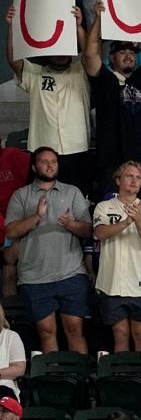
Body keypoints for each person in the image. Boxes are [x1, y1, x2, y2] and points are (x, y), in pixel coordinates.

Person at [83, 0, 141, 202]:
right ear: (111, 57)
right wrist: (98, 18)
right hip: (112, 163)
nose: (128, 56)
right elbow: (90, 53)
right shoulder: (104, 78)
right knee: (112, 216)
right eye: (122, 52)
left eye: (132, 52)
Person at [5, 148, 91, 353]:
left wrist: (71, 224)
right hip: (35, 277)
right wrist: (36, 217)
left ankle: (79, 381)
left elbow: (88, 229)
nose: (50, 165)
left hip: (70, 273)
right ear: (34, 167)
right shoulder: (21, 195)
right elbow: (10, 230)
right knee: (46, 331)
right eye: (44, 162)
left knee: (75, 329)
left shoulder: (72, 191)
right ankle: (51, 382)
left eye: (54, 161)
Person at [4, 7, 89, 191]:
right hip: (42, 149)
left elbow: (90, 54)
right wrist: (11, 28)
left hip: (77, 148)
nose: (60, 54)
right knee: (41, 200)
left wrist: (78, 27)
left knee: (77, 201)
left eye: (64, 49)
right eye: (55, 49)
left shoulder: (80, 71)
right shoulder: (35, 74)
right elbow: (14, 60)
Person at [92, 161, 141, 353]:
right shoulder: (104, 207)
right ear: (118, 180)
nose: (134, 181)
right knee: (120, 334)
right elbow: (100, 233)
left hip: (140, 282)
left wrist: (137, 219)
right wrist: (126, 222)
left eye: (138, 178)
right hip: (112, 282)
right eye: (129, 176)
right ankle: (122, 379)